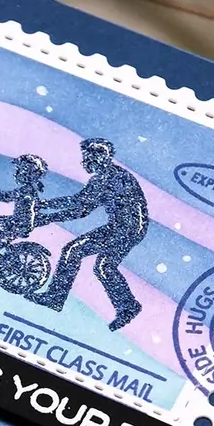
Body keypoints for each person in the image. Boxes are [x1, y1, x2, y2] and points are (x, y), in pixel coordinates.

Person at [29, 137, 149, 330]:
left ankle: (55, 297)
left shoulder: (111, 178)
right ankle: (128, 306)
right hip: (127, 227)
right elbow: (81, 205)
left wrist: (47, 213)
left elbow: (80, 207)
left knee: (73, 251)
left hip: (125, 228)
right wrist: (46, 207)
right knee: (104, 267)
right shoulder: (105, 177)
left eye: (87, 157)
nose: (84, 162)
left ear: (99, 157)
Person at [0, 154, 47, 268]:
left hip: (20, 223)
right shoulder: (29, 189)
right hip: (19, 221)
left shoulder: (26, 190)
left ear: (27, 173)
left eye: (19, 170)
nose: (16, 173)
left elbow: (6, 197)